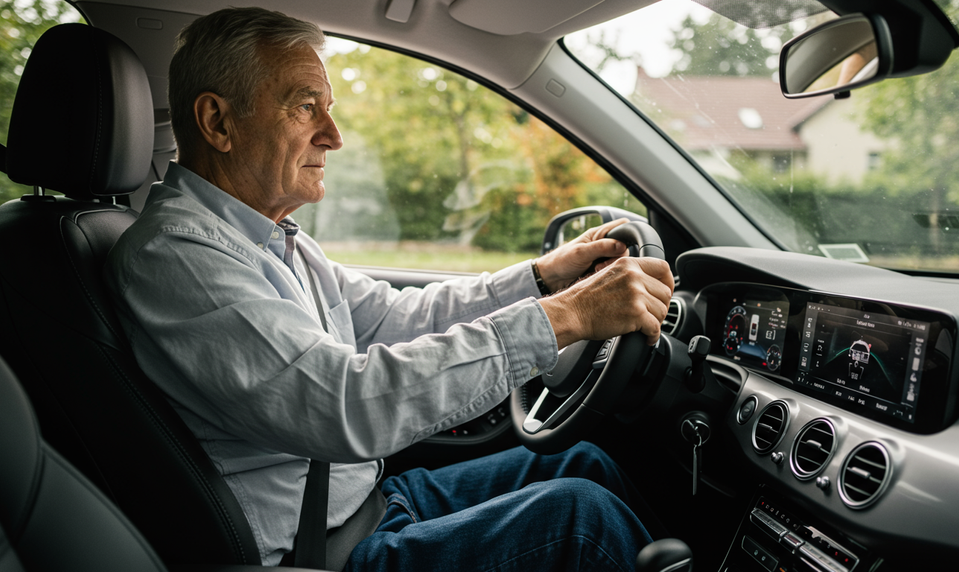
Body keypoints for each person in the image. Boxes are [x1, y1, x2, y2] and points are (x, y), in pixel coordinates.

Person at [104, 7, 674, 570]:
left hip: (366, 506)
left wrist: (543, 278)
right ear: (218, 122)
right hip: (322, 552)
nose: (334, 136)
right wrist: (566, 318)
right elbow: (340, 405)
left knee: (581, 463)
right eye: (306, 108)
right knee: (580, 516)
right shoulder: (177, 256)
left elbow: (393, 317)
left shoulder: (266, 237)